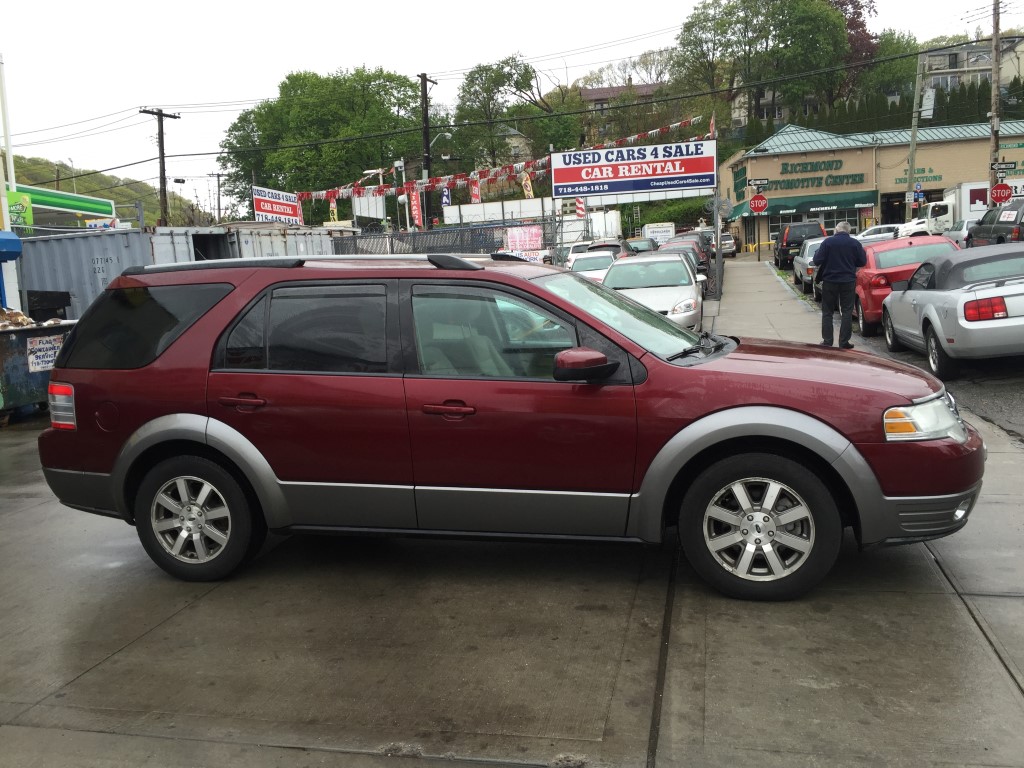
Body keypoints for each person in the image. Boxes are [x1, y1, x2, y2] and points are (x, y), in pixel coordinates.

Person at [812, 221, 866, 349]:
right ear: (848, 231)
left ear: (836, 230)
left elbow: (817, 260)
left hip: (830, 281)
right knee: (847, 311)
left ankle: (827, 341)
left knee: (827, 312)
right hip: (848, 281)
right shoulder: (855, 243)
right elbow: (862, 261)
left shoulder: (828, 243)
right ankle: (844, 342)